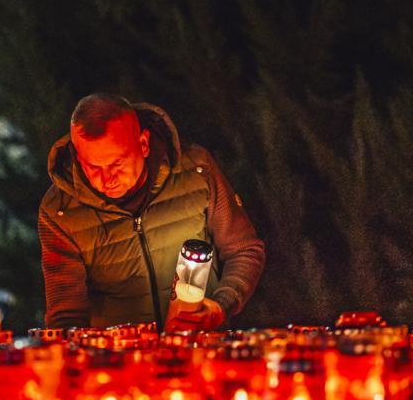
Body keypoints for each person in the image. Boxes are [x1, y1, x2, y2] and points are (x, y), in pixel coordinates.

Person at [39, 94, 265, 332]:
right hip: (118, 361)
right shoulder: (60, 212)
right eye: (92, 167)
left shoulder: (196, 172)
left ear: (144, 144)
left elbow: (244, 250)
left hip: (202, 350)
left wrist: (221, 306)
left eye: (117, 163)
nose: (106, 179)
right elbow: (66, 319)